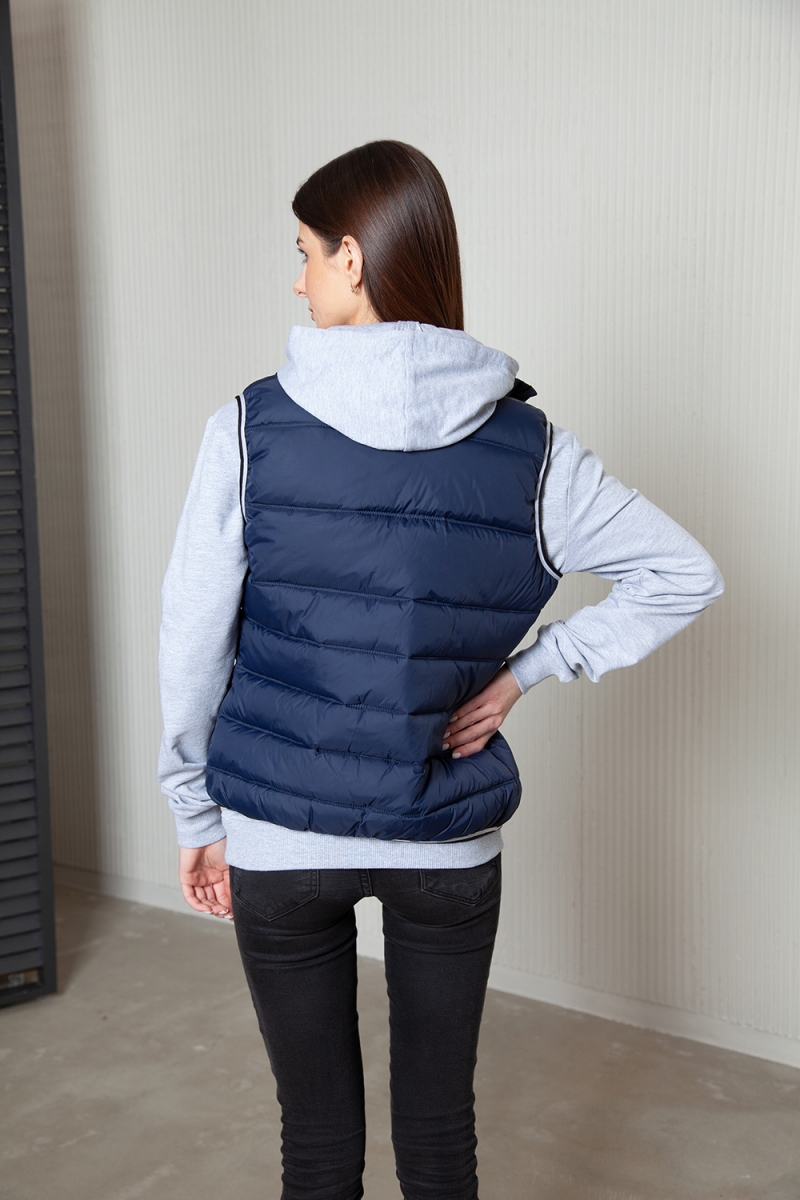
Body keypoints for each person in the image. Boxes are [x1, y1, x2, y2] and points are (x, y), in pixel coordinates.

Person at [158, 140, 723, 1200]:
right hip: (445, 840)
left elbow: (192, 634)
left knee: (313, 1139)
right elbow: (682, 573)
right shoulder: (530, 449)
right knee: (438, 1128)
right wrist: (529, 671)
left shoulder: (248, 426)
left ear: (353, 256)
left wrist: (194, 806)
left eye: (304, 253)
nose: (297, 282)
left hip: (279, 834)